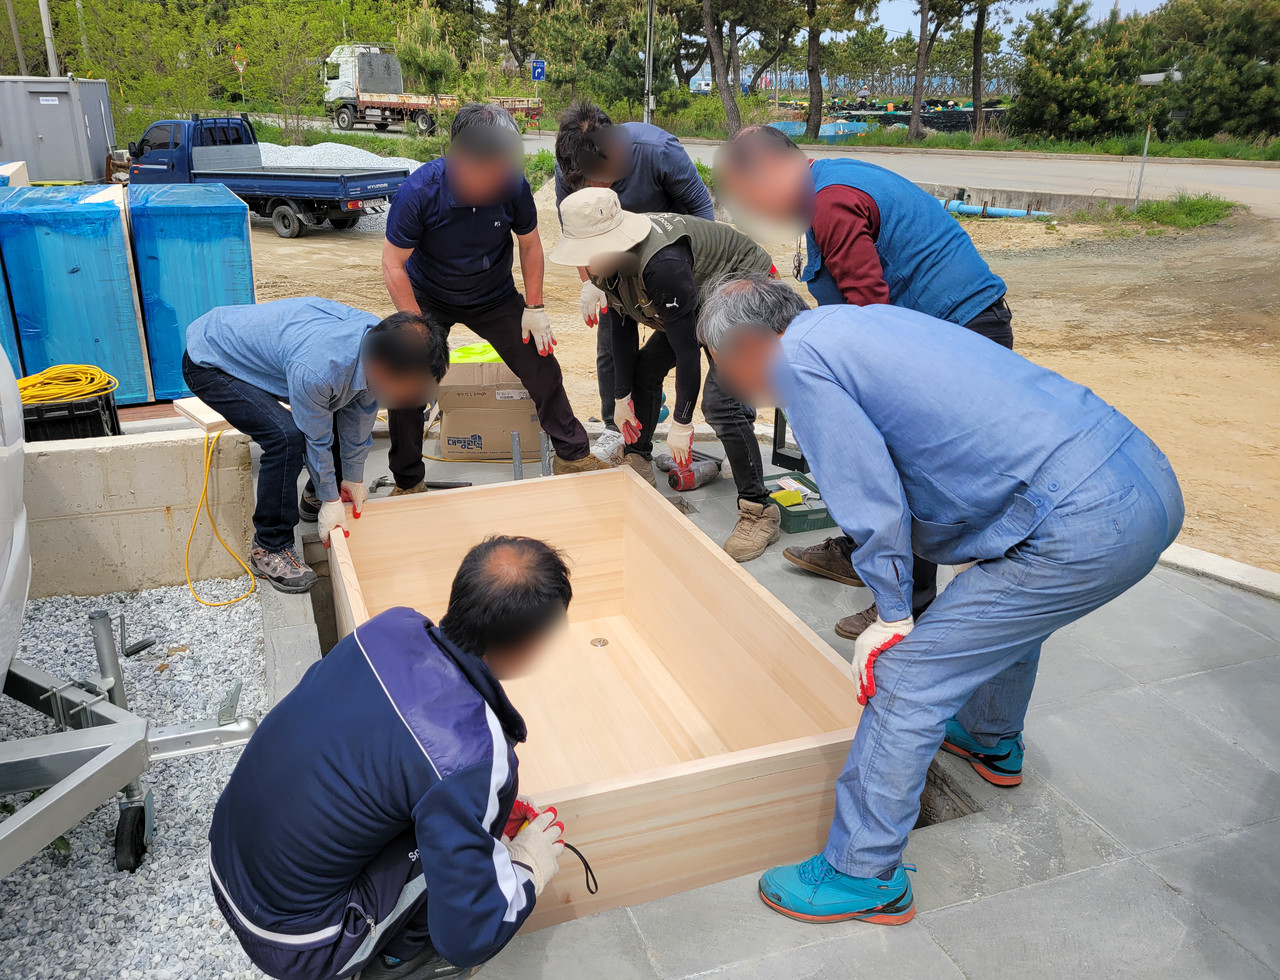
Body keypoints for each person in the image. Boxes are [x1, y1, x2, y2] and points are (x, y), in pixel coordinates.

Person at [698, 273, 1183, 924]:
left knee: (907, 679)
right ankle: (988, 739)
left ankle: (861, 873)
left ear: (750, 346)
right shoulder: (850, 323)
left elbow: (866, 492)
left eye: (719, 364)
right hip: (1137, 473)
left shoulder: (798, 362)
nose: (726, 381)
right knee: (996, 607)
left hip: (1084, 519)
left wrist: (892, 611)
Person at [209, 535, 574, 980]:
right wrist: (527, 867)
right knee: (462, 879)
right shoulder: (472, 756)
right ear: (527, 645)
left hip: (227, 858)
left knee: (443, 818)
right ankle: (398, 963)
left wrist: (475, 808)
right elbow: (468, 936)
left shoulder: (390, 627)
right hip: (297, 942)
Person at [714, 125, 1015, 641]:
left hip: (959, 334)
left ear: (769, 172)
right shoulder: (824, 191)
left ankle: (907, 607)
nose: (753, 211)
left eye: (748, 197)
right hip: (937, 332)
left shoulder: (830, 204)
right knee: (882, 454)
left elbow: (871, 320)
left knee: (909, 468)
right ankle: (863, 554)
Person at [382, 103, 610, 491]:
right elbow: (392, 264)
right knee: (407, 374)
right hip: (429, 295)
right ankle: (408, 480)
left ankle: (572, 456)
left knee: (540, 363)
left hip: (493, 294)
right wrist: (417, 328)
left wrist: (534, 307)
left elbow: (530, 244)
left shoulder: (512, 185)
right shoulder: (419, 191)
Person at [549, 187, 782, 561]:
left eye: (590, 253)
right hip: (698, 298)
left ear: (614, 241)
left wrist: (682, 422)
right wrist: (621, 396)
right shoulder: (605, 265)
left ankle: (759, 509)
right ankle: (638, 459)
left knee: (721, 402)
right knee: (645, 370)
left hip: (744, 289)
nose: (586, 265)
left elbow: (687, 349)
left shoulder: (661, 265)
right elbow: (623, 327)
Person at [183, 298, 447, 594]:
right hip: (211, 361)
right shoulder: (320, 369)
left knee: (337, 407)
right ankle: (270, 546)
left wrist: (353, 479)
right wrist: (332, 498)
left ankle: (315, 498)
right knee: (285, 437)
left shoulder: (381, 346)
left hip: (278, 354)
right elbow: (315, 437)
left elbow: (358, 419)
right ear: (382, 369)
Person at [553, 101, 714, 438]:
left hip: (671, 262)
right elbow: (576, 231)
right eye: (582, 186)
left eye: (595, 182)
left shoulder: (658, 151)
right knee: (613, 344)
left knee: (699, 344)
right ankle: (617, 430)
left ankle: (729, 425)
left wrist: (688, 283)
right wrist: (591, 283)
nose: (590, 193)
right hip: (615, 264)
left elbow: (702, 212)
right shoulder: (569, 163)